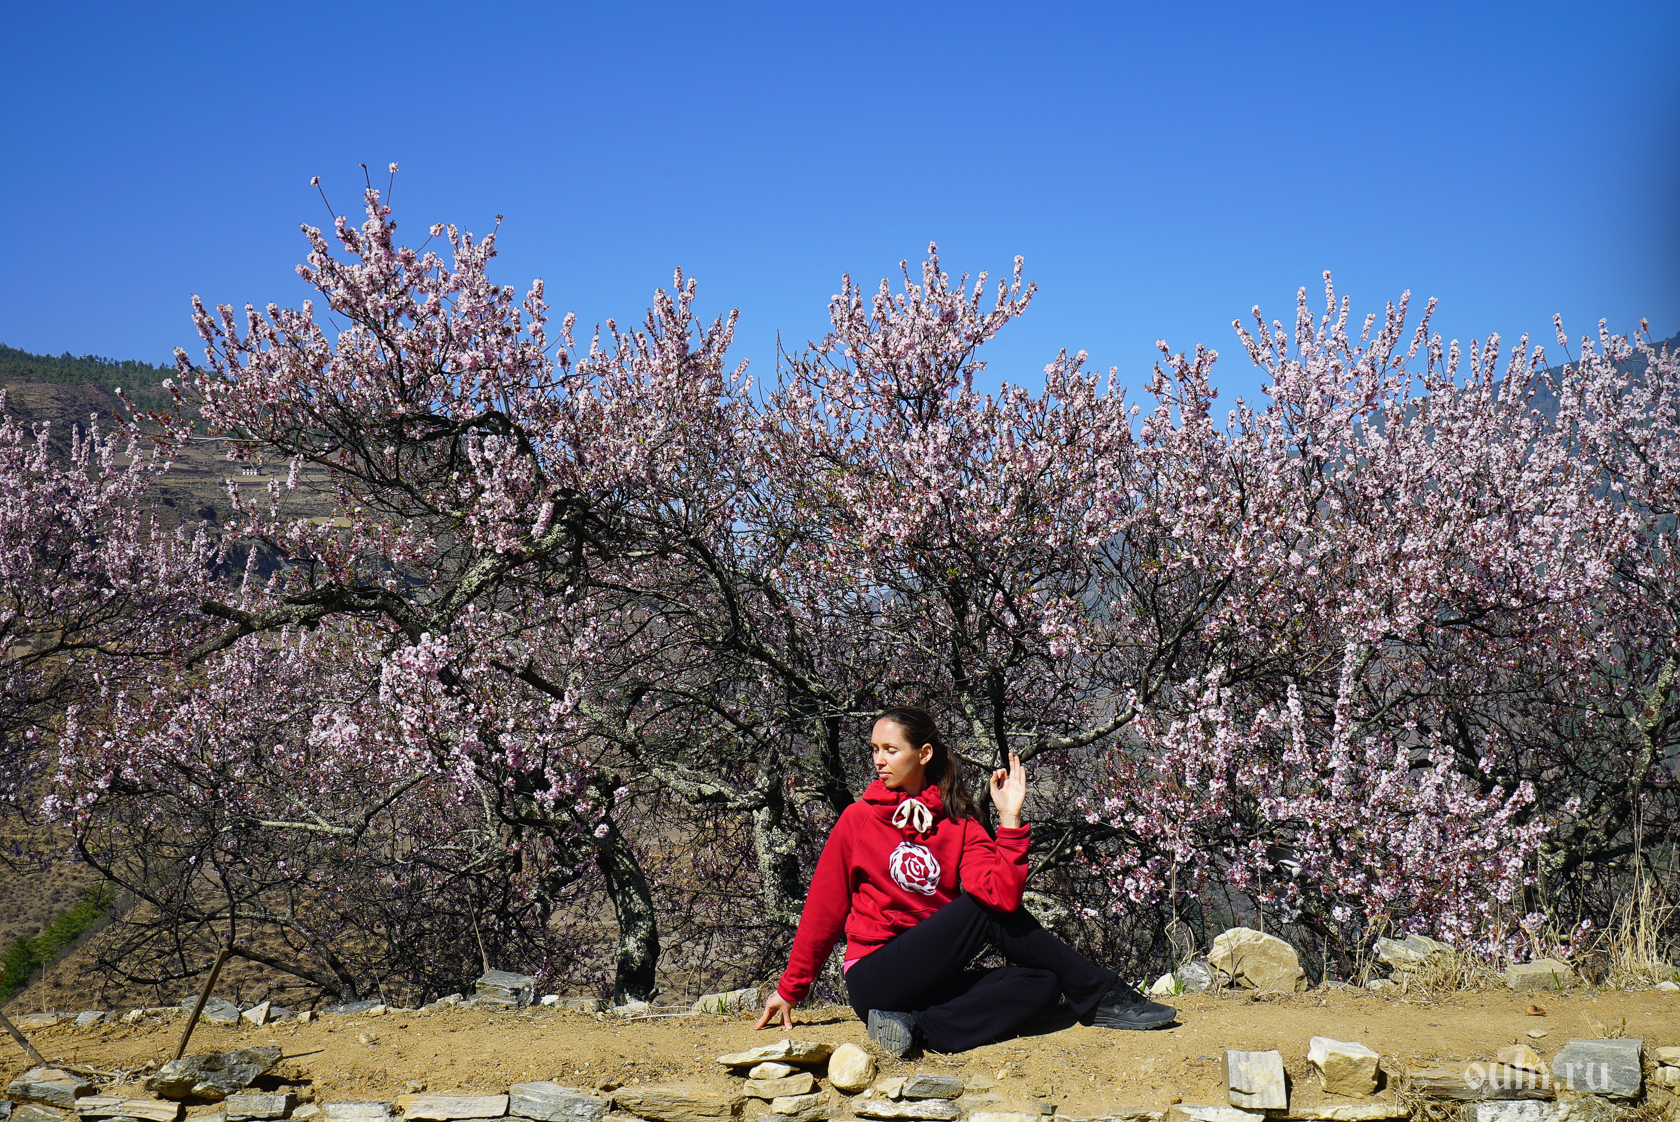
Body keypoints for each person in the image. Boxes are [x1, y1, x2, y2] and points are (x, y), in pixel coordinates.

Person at [753, 706, 1175, 1055]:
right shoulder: (858, 819)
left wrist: (1009, 819)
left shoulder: (959, 823)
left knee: (1044, 982)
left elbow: (1003, 898)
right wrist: (791, 989)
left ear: (923, 754)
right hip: (875, 976)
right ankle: (1103, 994)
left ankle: (915, 1029)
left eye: (890, 750)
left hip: (932, 981)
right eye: (875, 750)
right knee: (979, 907)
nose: (878, 760)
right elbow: (824, 908)